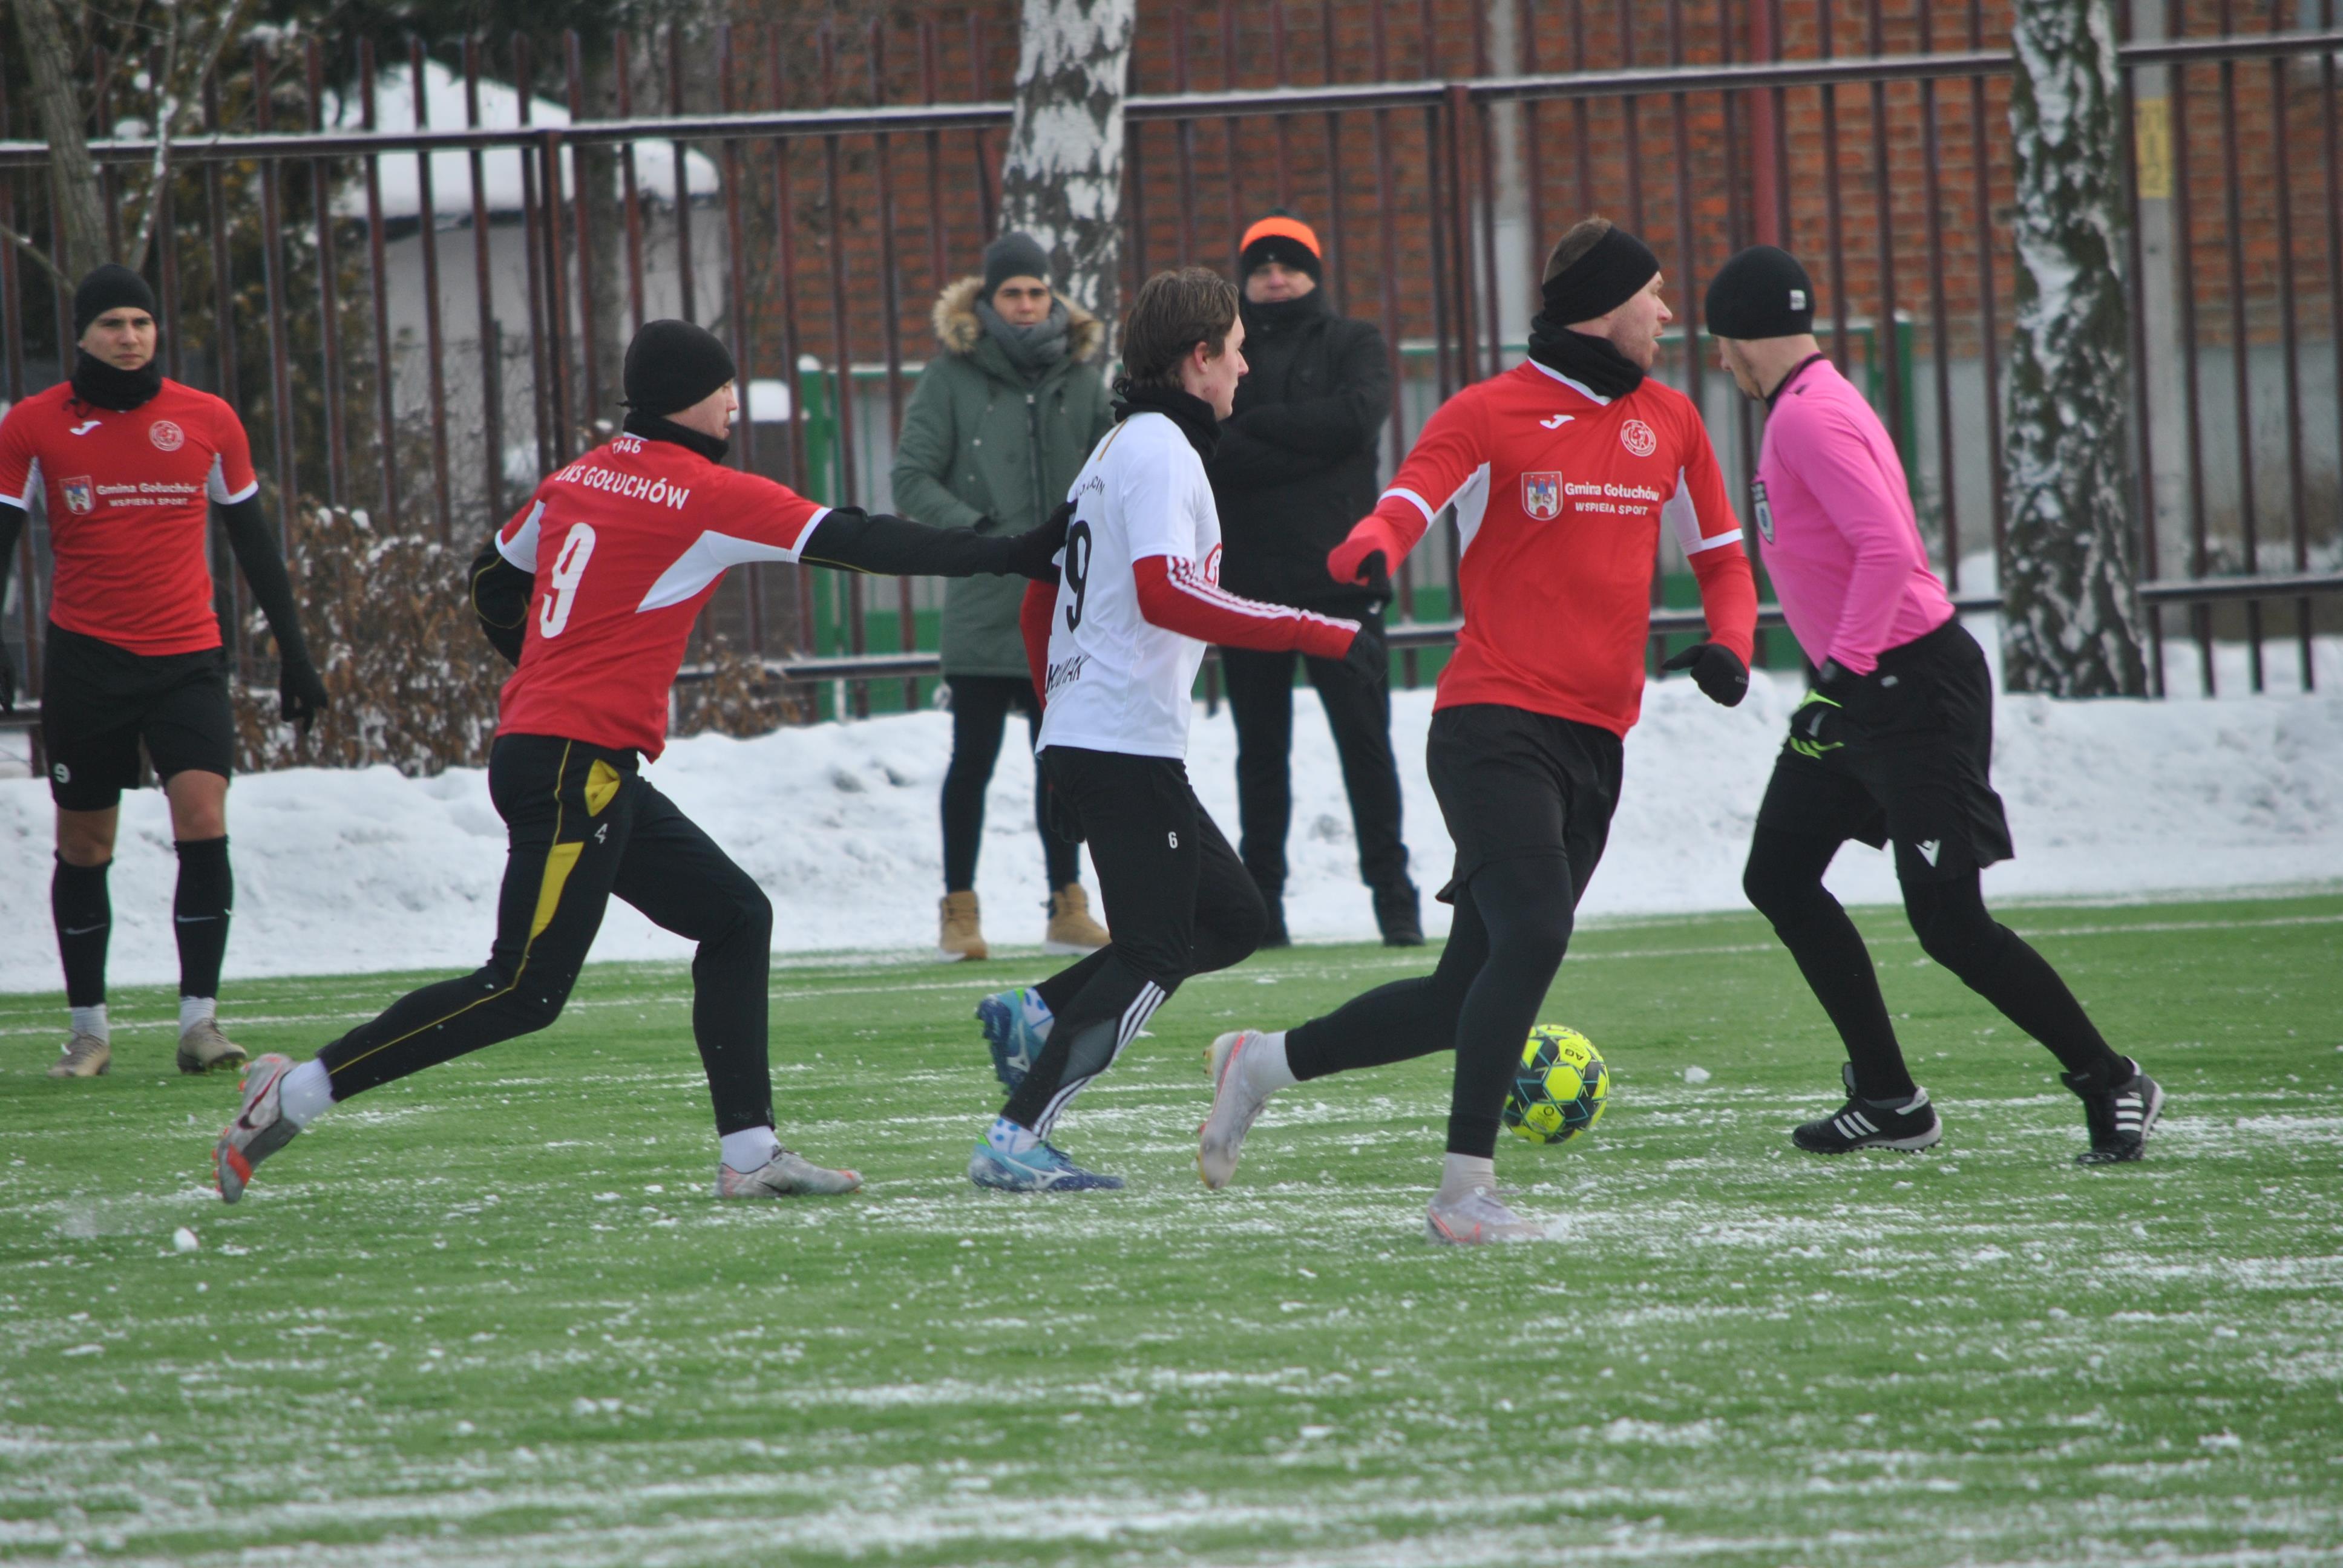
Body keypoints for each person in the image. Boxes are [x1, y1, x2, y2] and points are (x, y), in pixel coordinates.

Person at [212, 319, 1067, 1204]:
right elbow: (859, 540)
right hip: (571, 763)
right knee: (522, 989)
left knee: (736, 916)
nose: (737, 398)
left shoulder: (576, 476)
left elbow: (490, 583)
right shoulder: (704, 491)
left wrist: (546, 666)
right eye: (726, 384)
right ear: (685, 398)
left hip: (569, 757)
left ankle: (750, 1155)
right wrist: (1010, 552)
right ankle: (297, 1090)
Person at [1191, 219, 1758, 1243]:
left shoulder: (1670, 420)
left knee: (1466, 993)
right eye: (1653, 295)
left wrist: (1729, 642)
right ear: (1604, 302)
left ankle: (1260, 1062)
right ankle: (1462, 1194)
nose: (1668, 314)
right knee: (1537, 932)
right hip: (1491, 720)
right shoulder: (1491, 410)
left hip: (1596, 738)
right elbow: (1409, 497)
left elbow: (1721, 556)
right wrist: (1368, 546)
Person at [1702, 244, 2163, 1166]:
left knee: (1951, 924)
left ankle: (2113, 1081)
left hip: (1911, 687)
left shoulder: (1806, 418)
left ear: (1743, 339)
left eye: (1720, 343)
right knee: (1780, 876)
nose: (1718, 361)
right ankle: (1888, 1098)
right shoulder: (1805, 402)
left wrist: (1840, 676)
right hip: (1869, 687)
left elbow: (1887, 552)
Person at [963, 267, 1380, 1194]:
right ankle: (1018, 1136)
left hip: (1108, 734)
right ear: (1198, 359)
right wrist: (1314, 626)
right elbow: (1166, 591)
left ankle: (1041, 1011)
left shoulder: (1119, 446)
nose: (1245, 372)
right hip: (1116, 740)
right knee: (1153, 951)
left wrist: (1057, 714)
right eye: (1235, 353)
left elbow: (1043, 605)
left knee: (1229, 916)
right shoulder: (1159, 451)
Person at [0, 264, 329, 1081]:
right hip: (86, 659)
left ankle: (200, 1025)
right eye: (112, 323)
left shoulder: (207, 419)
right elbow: (3, 537)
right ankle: (89, 1033)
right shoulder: (32, 427)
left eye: (141, 323)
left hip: (187, 657)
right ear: (82, 334)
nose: (129, 336)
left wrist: (295, 652)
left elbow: (255, 542)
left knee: (203, 815)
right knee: (84, 842)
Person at [893, 230, 1114, 962]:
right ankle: (959, 912)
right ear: (985, 302)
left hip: (1065, 603)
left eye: (1035, 292)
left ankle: (1067, 904)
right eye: (1010, 293)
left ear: (1052, 297)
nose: (1024, 305)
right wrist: (978, 533)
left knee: (1061, 762)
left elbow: (1116, 467)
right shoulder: (949, 377)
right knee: (973, 761)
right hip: (985, 599)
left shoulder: (1086, 377)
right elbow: (912, 478)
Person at [1207, 212, 1415, 947]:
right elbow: (1214, 447)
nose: (1273, 277)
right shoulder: (1225, 349)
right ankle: (1263, 909)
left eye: (1287, 265)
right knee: (1259, 754)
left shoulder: (1352, 342)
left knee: (1366, 745)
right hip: (1248, 583)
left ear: (1313, 273)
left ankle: (1395, 901)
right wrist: (1307, 441)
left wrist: (1258, 429)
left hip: (1342, 583)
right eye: (1260, 266)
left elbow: (1357, 420)